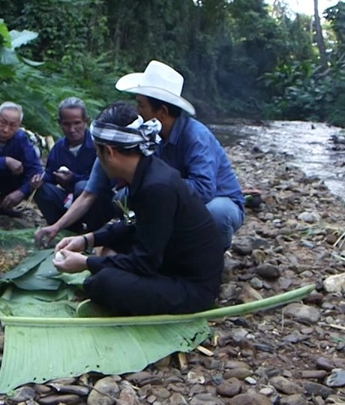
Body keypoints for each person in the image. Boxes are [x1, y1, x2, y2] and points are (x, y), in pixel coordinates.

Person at [36, 60, 244, 248]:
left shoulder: (195, 137)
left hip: (216, 199)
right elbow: (90, 192)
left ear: (161, 111)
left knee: (217, 214)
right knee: (122, 199)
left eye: (141, 105)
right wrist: (56, 226)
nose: (137, 110)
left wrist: (154, 188)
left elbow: (204, 190)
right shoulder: (143, 131)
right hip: (171, 200)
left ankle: (212, 252)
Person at [52, 102, 225, 316]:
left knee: (101, 283)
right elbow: (133, 224)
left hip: (191, 287)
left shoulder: (157, 187)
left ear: (109, 152)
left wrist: (86, 262)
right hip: (169, 260)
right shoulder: (145, 172)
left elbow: (144, 262)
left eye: (98, 152)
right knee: (110, 255)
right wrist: (87, 239)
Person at [29, 98, 112, 230]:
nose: (72, 129)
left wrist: (73, 179)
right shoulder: (59, 147)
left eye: (77, 123)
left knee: (81, 187)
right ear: (59, 123)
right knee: (42, 189)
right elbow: (50, 174)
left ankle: (93, 230)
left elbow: (105, 180)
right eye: (66, 124)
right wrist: (40, 179)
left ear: (86, 121)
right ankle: (63, 228)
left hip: (95, 201)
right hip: (68, 199)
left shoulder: (97, 146)